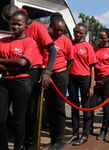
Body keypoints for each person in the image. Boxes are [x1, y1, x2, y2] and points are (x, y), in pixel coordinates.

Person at [0, 10, 40, 150]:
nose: (15, 26)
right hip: (4, 82)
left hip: (21, 82)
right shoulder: (3, 41)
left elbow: (22, 62)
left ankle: (18, 147)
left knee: (18, 121)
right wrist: (12, 63)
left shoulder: (30, 42)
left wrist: (3, 62)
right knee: (1, 120)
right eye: (13, 23)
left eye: (19, 24)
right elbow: (16, 62)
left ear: (25, 26)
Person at [44, 13, 74, 150]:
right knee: (49, 108)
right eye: (57, 30)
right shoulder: (44, 37)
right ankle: (52, 139)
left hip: (60, 76)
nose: (60, 32)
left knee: (58, 108)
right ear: (50, 26)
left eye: (62, 30)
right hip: (45, 76)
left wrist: (62, 72)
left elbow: (70, 60)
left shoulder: (66, 41)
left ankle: (59, 140)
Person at [65, 23, 97, 146]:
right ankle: (75, 133)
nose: (78, 34)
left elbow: (92, 67)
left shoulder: (88, 46)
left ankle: (85, 133)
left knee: (86, 106)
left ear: (85, 34)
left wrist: (91, 86)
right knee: (74, 106)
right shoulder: (69, 44)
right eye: (76, 31)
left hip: (85, 78)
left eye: (81, 33)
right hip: (71, 78)